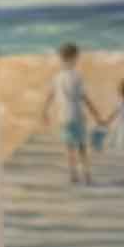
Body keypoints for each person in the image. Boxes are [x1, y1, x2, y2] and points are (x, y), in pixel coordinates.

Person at [41, 42, 103, 186]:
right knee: (82, 147)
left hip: (64, 116)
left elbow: (50, 95)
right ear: (74, 58)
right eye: (76, 57)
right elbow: (84, 97)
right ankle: (87, 175)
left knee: (69, 147)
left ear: (61, 58)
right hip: (77, 115)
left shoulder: (57, 77)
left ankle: (73, 175)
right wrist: (95, 114)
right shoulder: (77, 76)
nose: (77, 60)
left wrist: (44, 111)